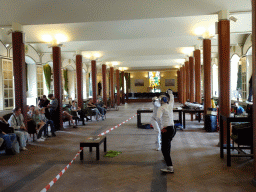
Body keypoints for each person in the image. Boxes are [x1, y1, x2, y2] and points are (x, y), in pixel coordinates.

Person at [156, 90, 176, 173]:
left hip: (166, 130)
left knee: (164, 149)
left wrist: (161, 128)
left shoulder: (161, 108)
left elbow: (158, 118)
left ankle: (170, 167)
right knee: (168, 146)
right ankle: (167, 159)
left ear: (160, 101)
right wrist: (170, 93)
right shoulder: (170, 105)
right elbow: (172, 99)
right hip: (173, 129)